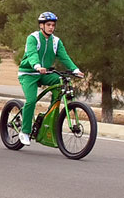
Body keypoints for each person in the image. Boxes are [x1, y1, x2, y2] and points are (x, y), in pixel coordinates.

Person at [17, 12, 83, 146]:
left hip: (45, 73)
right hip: (28, 73)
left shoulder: (56, 41)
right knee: (31, 100)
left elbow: (64, 57)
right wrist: (36, 65)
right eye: (48, 25)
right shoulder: (33, 38)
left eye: (53, 25)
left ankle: (48, 117)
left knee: (61, 83)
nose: (51, 27)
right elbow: (32, 54)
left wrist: (75, 69)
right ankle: (25, 131)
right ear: (41, 25)